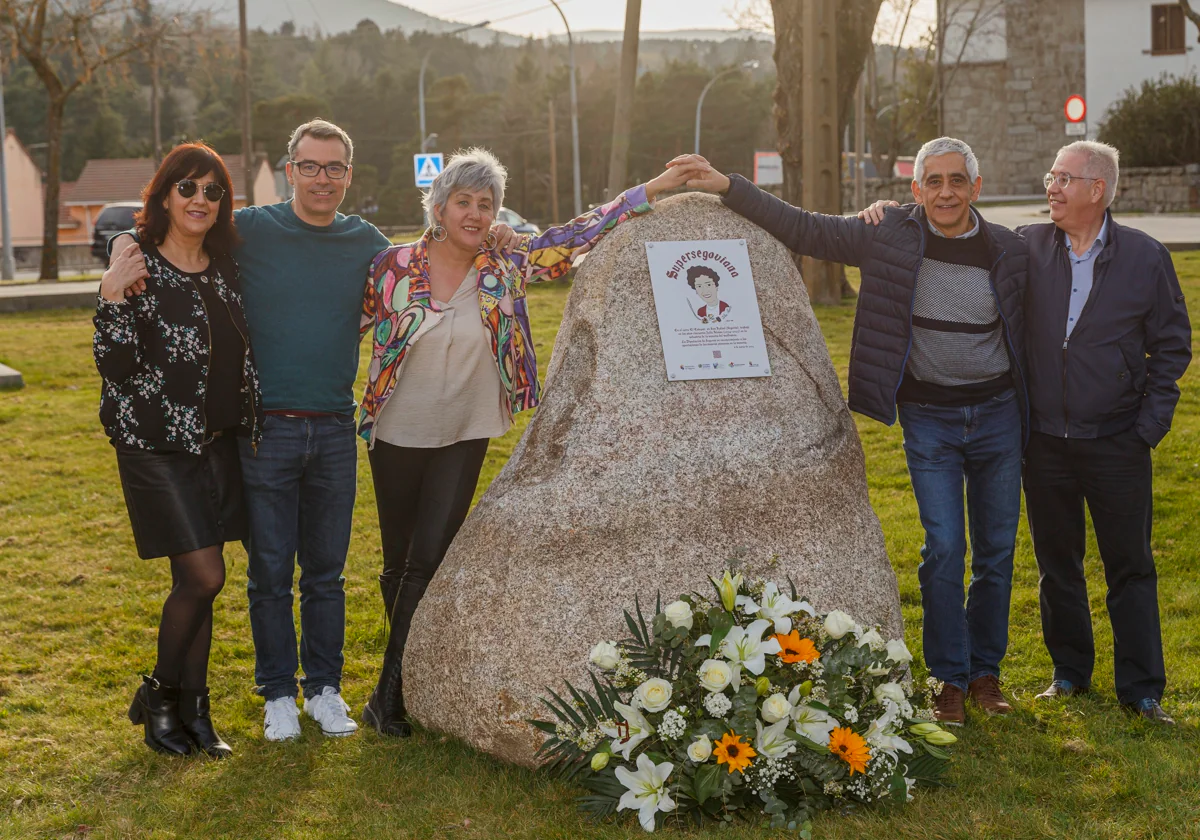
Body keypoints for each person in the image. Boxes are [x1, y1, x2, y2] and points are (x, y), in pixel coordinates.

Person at [671, 137, 1029, 724]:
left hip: (998, 417)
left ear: (975, 188)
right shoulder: (888, 234)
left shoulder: (1008, 251)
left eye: (956, 180)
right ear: (916, 190)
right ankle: (948, 679)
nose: (945, 192)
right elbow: (806, 229)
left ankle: (986, 673)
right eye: (933, 181)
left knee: (996, 551)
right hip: (930, 420)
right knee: (944, 547)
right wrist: (727, 185)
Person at [357, 148, 699, 736]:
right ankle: (413, 668)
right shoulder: (392, 266)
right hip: (396, 431)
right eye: (462, 201)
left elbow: (580, 232)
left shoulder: (506, 263)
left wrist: (655, 189)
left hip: (466, 431)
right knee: (398, 563)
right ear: (438, 208)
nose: (474, 213)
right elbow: (348, 324)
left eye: (485, 204)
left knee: (428, 560)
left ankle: (389, 691)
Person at [111, 120, 408, 742]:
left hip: (332, 425)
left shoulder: (368, 242)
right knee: (269, 570)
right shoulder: (250, 230)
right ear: (290, 167)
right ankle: (276, 693)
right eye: (309, 166)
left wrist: (496, 231)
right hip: (261, 429)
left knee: (325, 571)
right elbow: (167, 228)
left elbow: (428, 266)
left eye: (334, 168)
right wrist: (120, 250)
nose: (321, 178)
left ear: (348, 176)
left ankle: (325, 690)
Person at [94, 143, 261, 758]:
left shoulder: (228, 269)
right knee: (203, 574)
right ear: (165, 195)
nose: (200, 200)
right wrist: (111, 292)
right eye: (188, 188)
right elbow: (115, 365)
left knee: (199, 584)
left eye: (213, 191)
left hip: (216, 444)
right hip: (154, 448)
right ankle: (160, 696)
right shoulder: (137, 268)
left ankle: (196, 713)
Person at [1021, 142, 1191, 722]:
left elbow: (1172, 346)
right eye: (1051, 176)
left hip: (1118, 440)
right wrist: (895, 211)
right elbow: (957, 230)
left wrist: (1149, 425)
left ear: (1097, 189)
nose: (1052, 187)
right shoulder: (1028, 246)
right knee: (1056, 564)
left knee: (1131, 566)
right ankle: (1069, 672)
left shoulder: (1145, 257)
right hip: (1043, 441)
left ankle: (1142, 690)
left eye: (1063, 179)